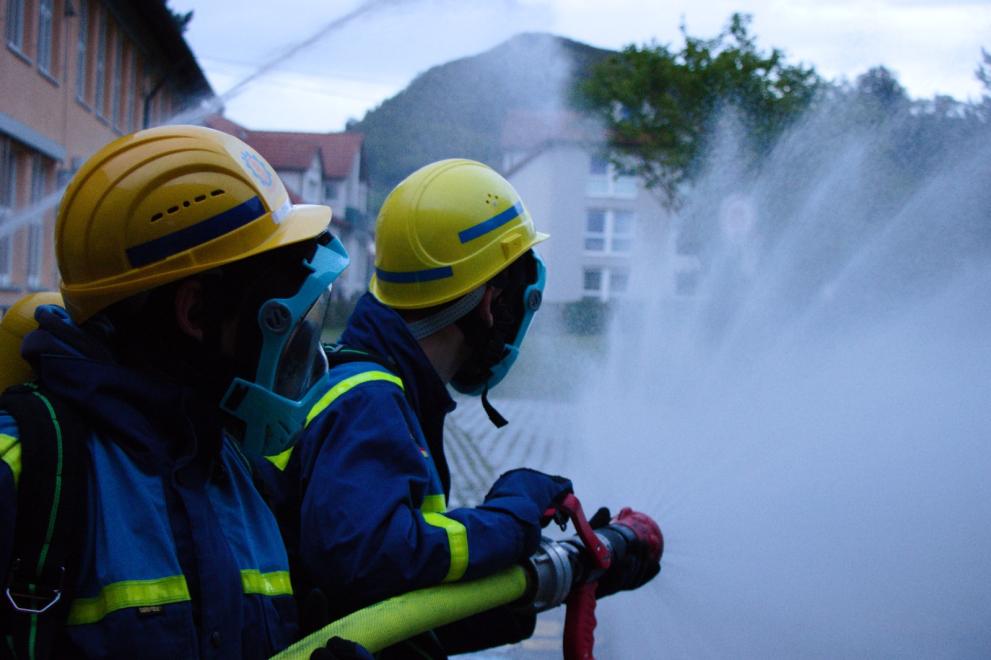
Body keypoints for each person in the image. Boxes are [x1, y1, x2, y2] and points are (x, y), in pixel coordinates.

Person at [257, 159, 660, 656]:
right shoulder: (370, 401)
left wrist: (545, 583)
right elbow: (370, 557)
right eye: (514, 293)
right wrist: (512, 520)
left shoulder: (374, 386)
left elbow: (374, 603)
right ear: (492, 303)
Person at [0, 125, 350, 659]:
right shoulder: (27, 473)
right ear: (196, 312)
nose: (299, 341)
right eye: (278, 315)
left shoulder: (236, 470)